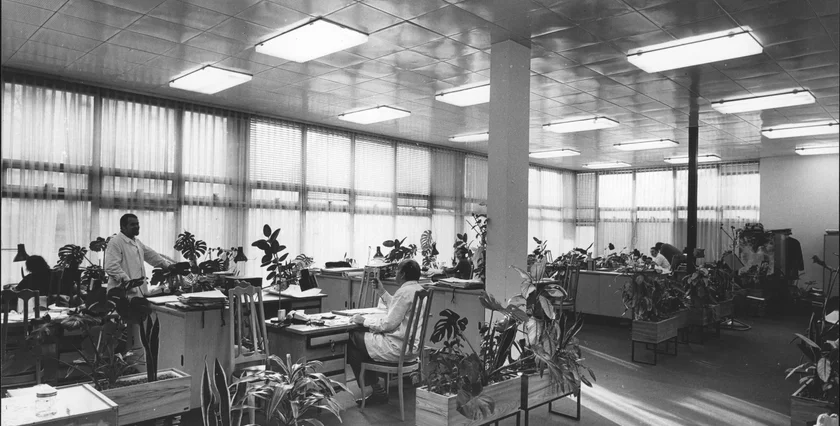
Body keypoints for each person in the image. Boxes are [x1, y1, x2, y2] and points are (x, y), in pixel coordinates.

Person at [347, 259, 425, 406]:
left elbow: (387, 325)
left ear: (403, 274)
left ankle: (376, 390)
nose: (395, 273)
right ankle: (376, 387)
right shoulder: (419, 291)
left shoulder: (404, 292)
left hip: (397, 349)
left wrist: (363, 320)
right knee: (363, 342)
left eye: (397, 270)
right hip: (412, 350)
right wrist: (382, 292)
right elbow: (397, 307)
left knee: (353, 338)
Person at [104, 213, 172, 298]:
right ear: (123, 227)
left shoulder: (136, 241)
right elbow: (111, 267)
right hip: (121, 294)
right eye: (132, 224)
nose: (136, 226)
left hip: (138, 293)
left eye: (137, 224)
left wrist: (168, 266)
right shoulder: (115, 242)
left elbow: (151, 255)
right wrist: (128, 282)